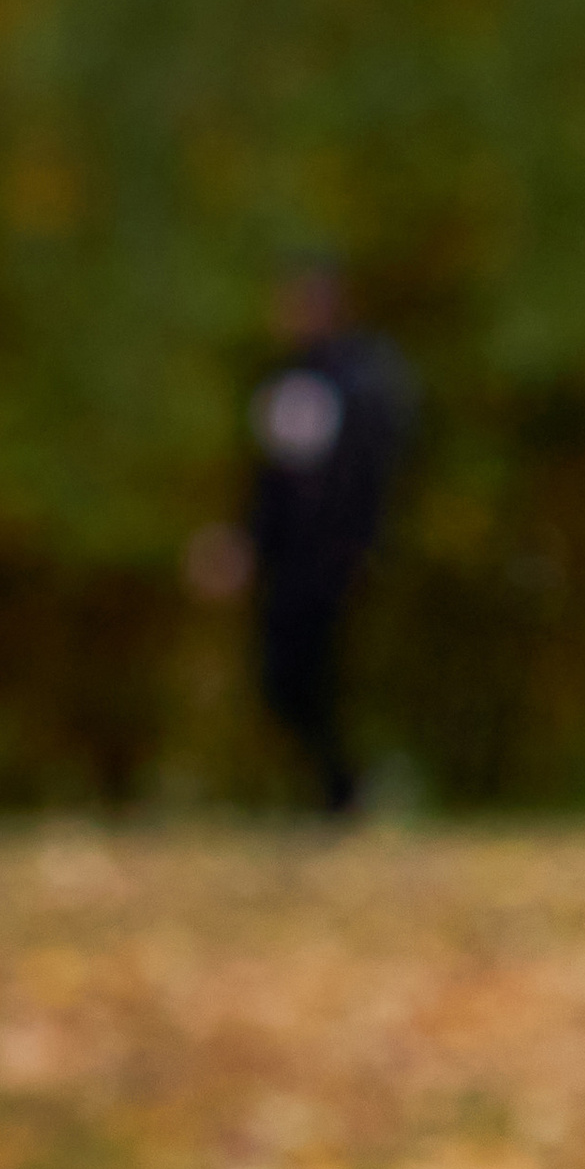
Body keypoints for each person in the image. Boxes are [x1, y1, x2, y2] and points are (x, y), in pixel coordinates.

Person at [228, 263, 414, 814]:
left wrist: (366, 546)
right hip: (290, 564)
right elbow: (272, 480)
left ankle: (346, 791)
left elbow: (375, 477)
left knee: (324, 678)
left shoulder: (366, 381)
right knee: (284, 679)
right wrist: (248, 543)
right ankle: (337, 791)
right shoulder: (288, 381)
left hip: (338, 560)